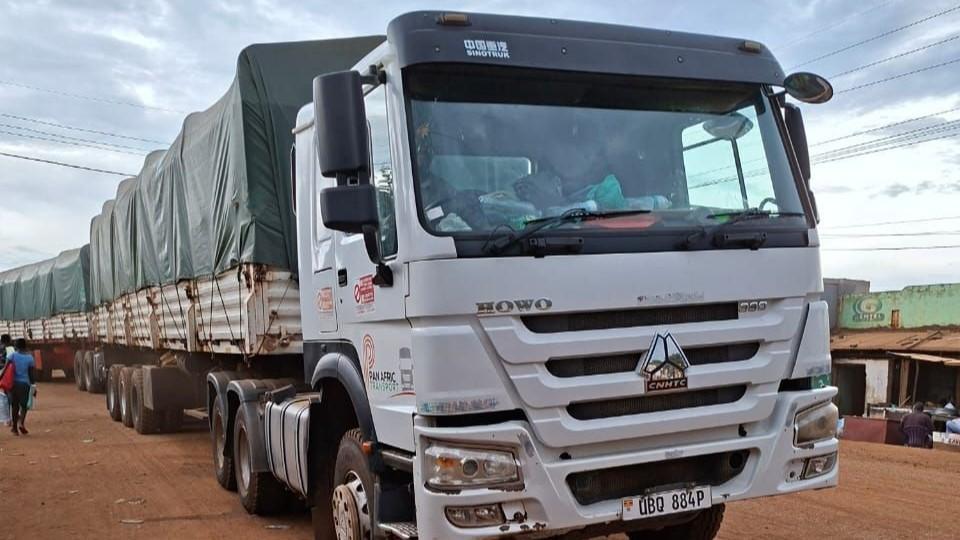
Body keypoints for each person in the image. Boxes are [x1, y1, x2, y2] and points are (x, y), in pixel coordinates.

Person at [6, 338, 36, 436]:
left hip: (13, 384)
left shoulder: (12, 356)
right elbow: (31, 374)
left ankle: (14, 428)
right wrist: (33, 386)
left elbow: (6, 369)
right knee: (24, 406)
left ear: (16, 347)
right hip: (25, 385)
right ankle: (21, 423)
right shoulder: (30, 358)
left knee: (14, 406)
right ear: (25, 347)